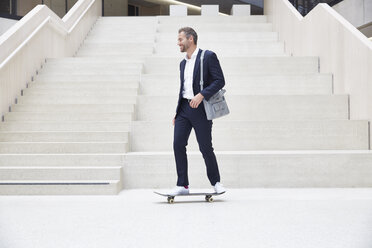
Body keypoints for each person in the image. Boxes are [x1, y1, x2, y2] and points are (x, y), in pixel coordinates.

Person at [170, 27, 226, 196]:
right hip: (184, 109)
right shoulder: (182, 63)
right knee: (178, 144)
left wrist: (201, 95)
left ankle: (216, 183)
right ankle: (183, 185)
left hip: (200, 109)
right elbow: (183, 89)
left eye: (180, 39)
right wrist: (177, 111)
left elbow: (219, 80)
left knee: (205, 147)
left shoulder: (207, 56)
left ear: (190, 39)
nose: (178, 43)